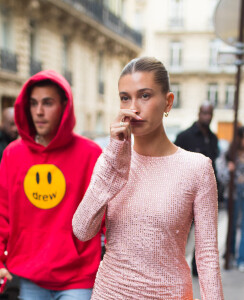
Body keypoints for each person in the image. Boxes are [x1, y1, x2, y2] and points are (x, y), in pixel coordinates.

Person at [72, 57, 224, 299]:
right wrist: (113, 157)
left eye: (144, 95)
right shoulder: (110, 161)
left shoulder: (197, 168)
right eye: (125, 97)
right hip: (109, 293)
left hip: (170, 294)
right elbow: (82, 230)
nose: (133, 108)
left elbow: (206, 256)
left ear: (168, 101)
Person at [0, 70, 103, 300]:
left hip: (78, 278)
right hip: (30, 278)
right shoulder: (13, 154)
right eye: (34, 103)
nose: (39, 111)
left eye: (47, 103)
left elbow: (107, 216)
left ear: (64, 106)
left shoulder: (90, 154)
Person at [174, 101, 220, 276]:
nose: (206, 117)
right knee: (181, 232)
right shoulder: (184, 136)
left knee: (204, 234)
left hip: (206, 194)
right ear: (198, 113)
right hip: (185, 192)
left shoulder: (213, 138)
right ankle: (176, 265)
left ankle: (197, 269)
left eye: (209, 114)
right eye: (204, 113)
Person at [225, 126, 244, 272]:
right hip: (234, 195)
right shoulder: (230, 153)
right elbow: (221, 172)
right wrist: (230, 172)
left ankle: (241, 258)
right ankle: (229, 253)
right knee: (231, 225)